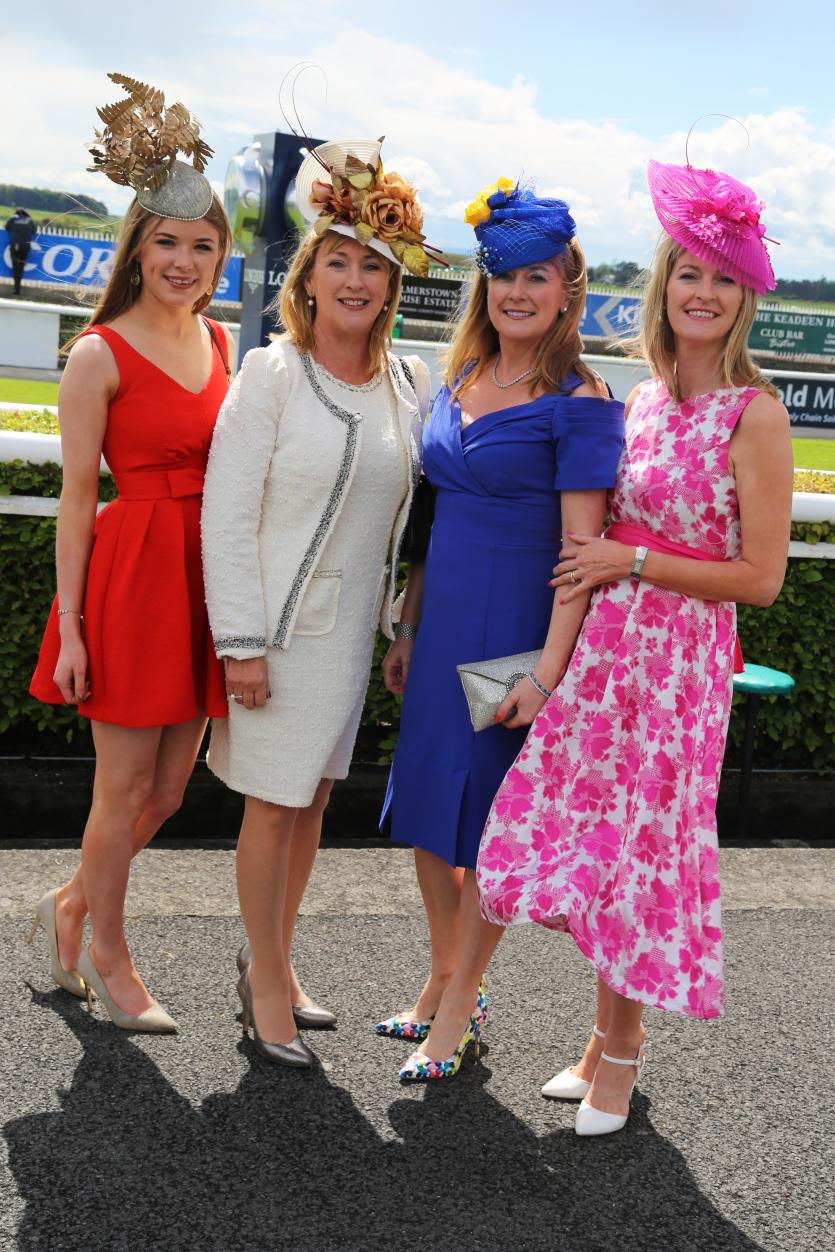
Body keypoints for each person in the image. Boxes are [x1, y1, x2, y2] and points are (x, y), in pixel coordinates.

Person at [477, 158, 793, 1135]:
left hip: (682, 668)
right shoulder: (642, 399)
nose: (702, 291)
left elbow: (760, 580)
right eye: (688, 272)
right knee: (581, 837)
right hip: (611, 655)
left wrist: (636, 559)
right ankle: (606, 1036)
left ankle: (618, 1050)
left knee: (641, 852)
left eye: (722, 278)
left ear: (742, 299)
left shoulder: (758, 413)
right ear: (663, 286)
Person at [378, 179, 625, 1080]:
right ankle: (448, 981)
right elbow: (430, 522)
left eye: (534, 276)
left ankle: (453, 1015)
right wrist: (405, 626)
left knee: (485, 826)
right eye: (500, 276)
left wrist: (548, 674)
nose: (515, 292)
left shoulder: (582, 398)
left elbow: (581, 555)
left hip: (515, 638)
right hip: (441, 627)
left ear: (568, 289)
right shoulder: (457, 377)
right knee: (427, 816)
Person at [201, 137, 433, 1068]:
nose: (353, 279)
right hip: (280, 637)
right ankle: (263, 984)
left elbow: (410, 522)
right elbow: (226, 516)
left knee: (312, 803)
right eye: (336, 259)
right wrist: (242, 642)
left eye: (370, 265)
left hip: (347, 643)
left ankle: (277, 961)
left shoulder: (408, 383)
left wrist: (399, 625)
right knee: (271, 804)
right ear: (307, 275)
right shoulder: (270, 373)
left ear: (390, 285)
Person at [28, 74, 233, 1032]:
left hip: (203, 582)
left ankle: (72, 902)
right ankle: (106, 948)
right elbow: (76, 497)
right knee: (121, 788)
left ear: (221, 255)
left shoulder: (226, 343)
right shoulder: (96, 353)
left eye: (202, 245)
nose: (184, 261)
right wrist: (69, 629)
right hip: (129, 577)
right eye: (167, 242)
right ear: (137, 247)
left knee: (165, 789)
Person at [5, 207, 37, 296]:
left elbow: (7, 227)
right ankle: (18, 288)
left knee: (15, 267)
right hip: (26, 246)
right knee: (21, 267)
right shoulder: (29, 219)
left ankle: (16, 289)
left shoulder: (13, 218)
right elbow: (34, 231)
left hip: (15, 245)